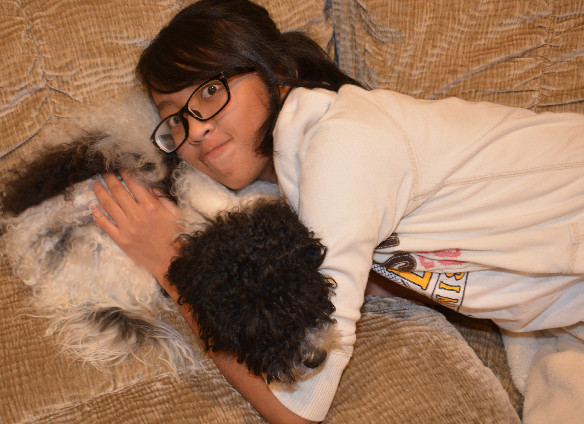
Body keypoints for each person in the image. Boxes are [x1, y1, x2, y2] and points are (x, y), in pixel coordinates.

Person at [90, 0, 584, 422]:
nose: (194, 130)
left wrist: (173, 264)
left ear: (277, 73)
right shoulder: (296, 171)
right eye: (174, 119)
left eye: (211, 91)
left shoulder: (342, 147)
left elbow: (299, 406)